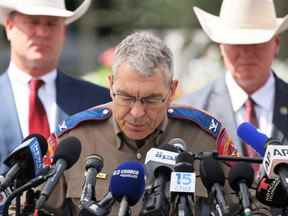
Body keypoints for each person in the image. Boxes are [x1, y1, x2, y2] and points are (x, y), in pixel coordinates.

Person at [45, 32, 235, 215]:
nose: (137, 113)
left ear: (172, 90)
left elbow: (248, 207)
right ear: (111, 86)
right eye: (126, 97)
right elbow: (32, 208)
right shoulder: (73, 139)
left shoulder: (205, 138)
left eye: (151, 99)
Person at [0, 0, 111, 173]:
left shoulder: (100, 102)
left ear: (64, 31)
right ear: (9, 26)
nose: (43, 32)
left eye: (52, 24)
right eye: (33, 21)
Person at [179, 0, 288, 156]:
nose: (246, 53)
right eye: (235, 43)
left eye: (256, 42)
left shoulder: (194, 109)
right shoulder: (191, 112)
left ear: (276, 44)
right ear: (221, 46)